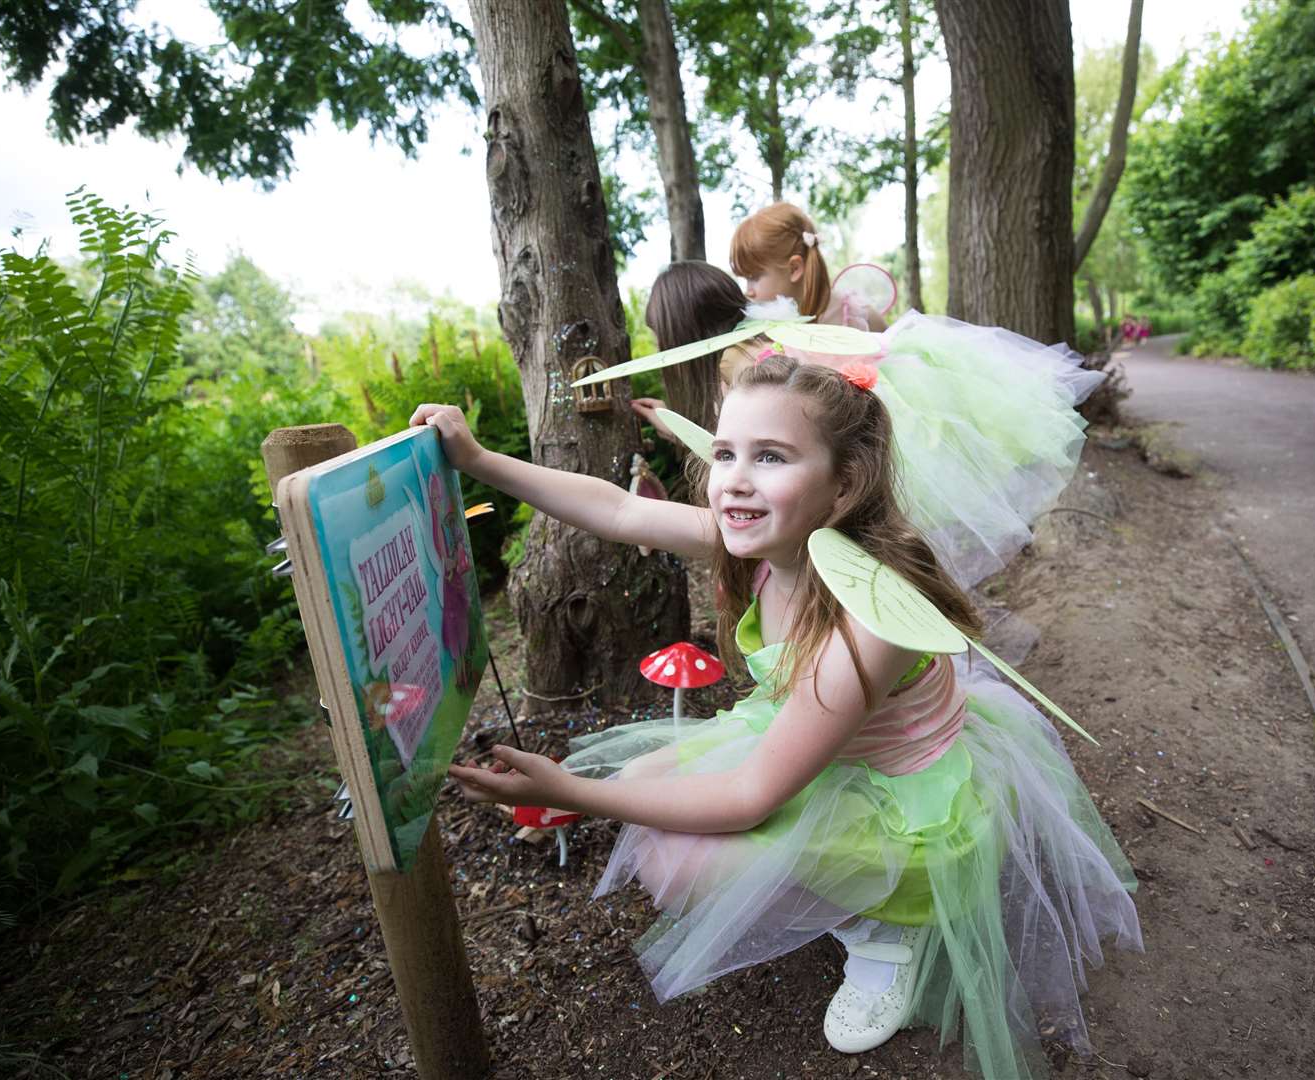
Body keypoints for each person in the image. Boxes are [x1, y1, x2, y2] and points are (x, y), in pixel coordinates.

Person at [415, 356, 1140, 1079]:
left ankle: (888, 931)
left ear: (845, 483)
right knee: (645, 788)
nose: (733, 477)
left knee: (680, 855)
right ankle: (848, 895)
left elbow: (749, 796)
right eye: (725, 452)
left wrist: (568, 793)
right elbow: (620, 510)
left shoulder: (868, 614)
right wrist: (479, 460)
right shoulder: (772, 543)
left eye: (771, 457)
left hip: (899, 795)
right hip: (813, 733)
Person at [633, 258, 1105, 594]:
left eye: (662, 336)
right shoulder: (767, 339)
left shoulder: (737, 363)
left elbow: (750, 443)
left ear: (684, 331)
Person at [730, 201, 889, 331]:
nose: (748, 291)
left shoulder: (858, 318)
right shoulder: (761, 328)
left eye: (754, 277)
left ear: (795, 268)